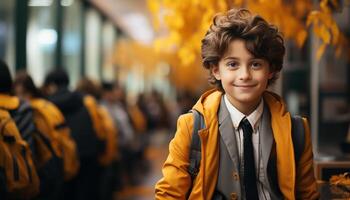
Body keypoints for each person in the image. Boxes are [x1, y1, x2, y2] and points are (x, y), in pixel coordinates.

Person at [155, 8, 319, 200]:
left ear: (271, 70)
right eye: (233, 64)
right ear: (216, 70)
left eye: (256, 64)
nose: (245, 75)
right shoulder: (191, 126)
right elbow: (169, 195)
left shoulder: (297, 130)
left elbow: (308, 195)